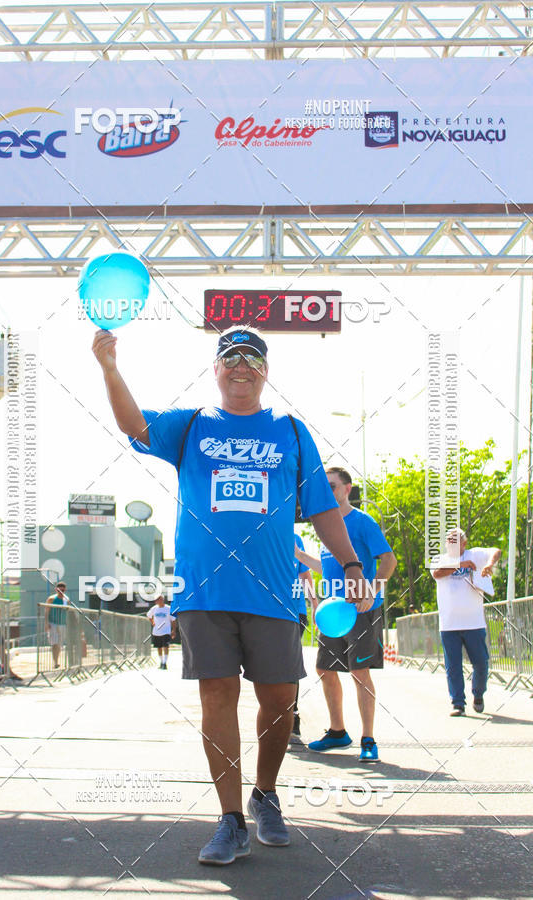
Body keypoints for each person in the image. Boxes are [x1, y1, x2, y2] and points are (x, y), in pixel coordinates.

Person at [93, 325, 370, 866]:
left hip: (273, 590)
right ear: (216, 369)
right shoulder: (192, 424)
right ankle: (229, 819)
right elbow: (133, 424)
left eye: (252, 359)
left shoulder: (291, 432)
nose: (241, 367)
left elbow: (321, 508)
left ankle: (265, 794)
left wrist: (353, 565)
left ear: (266, 371)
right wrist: (109, 368)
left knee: (279, 700)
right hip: (204, 589)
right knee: (217, 695)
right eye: (231, 358)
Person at [296, 467, 396, 762]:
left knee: (359, 673)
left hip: (361, 610)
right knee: (324, 669)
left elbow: (389, 560)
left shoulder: (362, 521)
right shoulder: (325, 526)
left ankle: (368, 739)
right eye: (324, 487)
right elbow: (327, 568)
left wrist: (372, 592)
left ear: (347, 489)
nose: (327, 491)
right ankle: (338, 732)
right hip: (333, 613)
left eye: (332, 486)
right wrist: (300, 556)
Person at [432, 529, 500, 716]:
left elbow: (496, 551)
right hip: (449, 624)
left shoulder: (475, 555)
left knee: (481, 663)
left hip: (474, 623)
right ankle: (458, 703)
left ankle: (478, 694)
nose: (451, 544)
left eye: (456, 541)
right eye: (449, 541)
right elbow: (437, 573)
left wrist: (489, 565)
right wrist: (460, 565)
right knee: (453, 667)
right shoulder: (440, 559)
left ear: (464, 543)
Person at [289, 532, 315, 743]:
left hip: (295, 612)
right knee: (268, 665)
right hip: (265, 610)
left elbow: (305, 575)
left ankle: (292, 714)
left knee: (289, 663)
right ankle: (275, 713)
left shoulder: (296, 539)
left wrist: (314, 603)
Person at [147, 595, 177, 669]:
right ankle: (161, 661)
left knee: (166, 646)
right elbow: (149, 615)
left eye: (160, 599)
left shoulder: (168, 608)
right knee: (159, 647)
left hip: (166, 631)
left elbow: (173, 620)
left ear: (163, 600)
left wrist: (173, 630)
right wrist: (152, 622)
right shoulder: (154, 608)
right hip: (157, 631)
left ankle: (165, 662)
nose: (158, 601)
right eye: (157, 600)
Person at [44, 581, 70, 669]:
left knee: (59, 644)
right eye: (59, 590)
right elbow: (47, 611)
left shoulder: (66, 600)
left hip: (63, 624)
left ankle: (56, 660)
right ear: (56, 590)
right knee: (54, 643)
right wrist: (46, 623)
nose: (61, 592)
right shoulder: (51, 599)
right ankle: (55, 662)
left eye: (63, 590)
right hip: (53, 623)